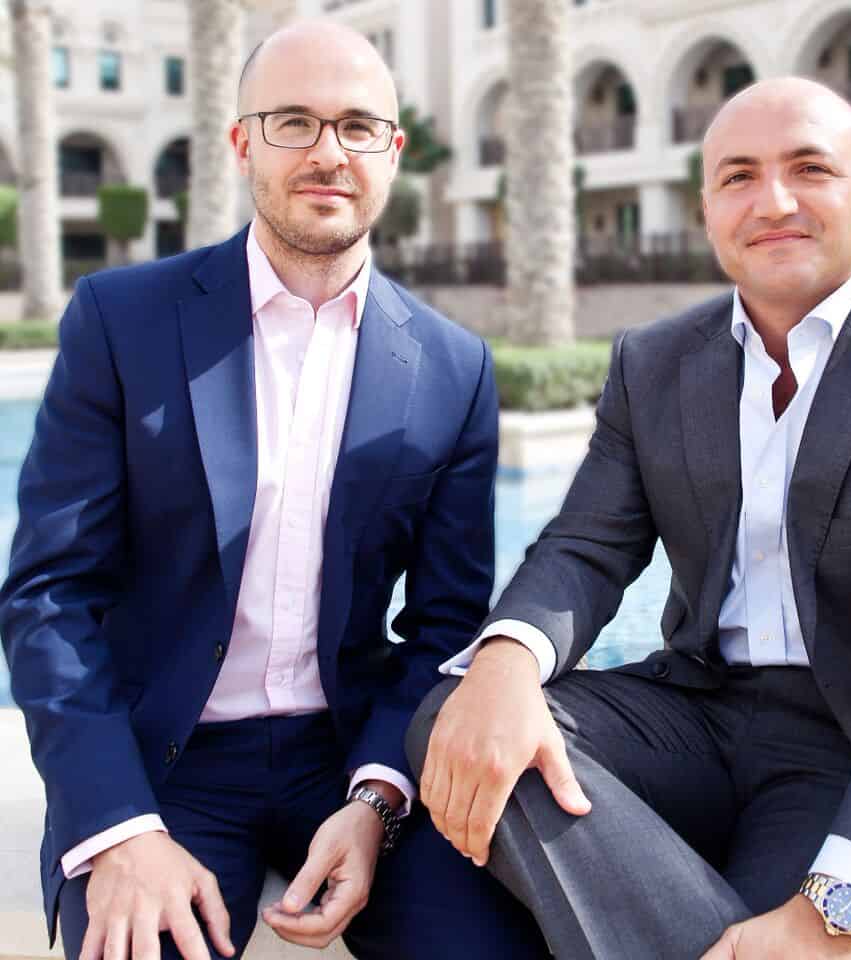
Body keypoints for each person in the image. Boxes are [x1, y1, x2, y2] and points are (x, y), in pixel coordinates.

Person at [408, 77, 851, 960]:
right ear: (708, 207)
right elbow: (586, 546)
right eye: (739, 175)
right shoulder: (652, 361)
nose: (772, 201)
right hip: (698, 713)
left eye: (809, 169)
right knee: (466, 717)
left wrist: (836, 907)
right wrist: (508, 659)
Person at [0, 20, 547, 960]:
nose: (329, 152)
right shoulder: (121, 320)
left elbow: (444, 623)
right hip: (159, 763)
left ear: (392, 151)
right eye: (293, 121)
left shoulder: (454, 368)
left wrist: (377, 798)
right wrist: (119, 825)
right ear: (241, 142)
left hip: (347, 757)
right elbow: (49, 595)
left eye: (357, 126)